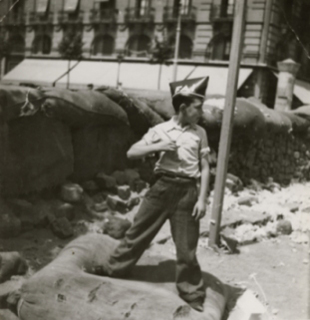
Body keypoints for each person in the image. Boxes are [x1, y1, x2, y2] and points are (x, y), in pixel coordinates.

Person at [96, 77, 210, 312]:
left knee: (187, 247)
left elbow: (206, 167)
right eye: (197, 108)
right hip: (161, 188)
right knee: (137, 234)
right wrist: (157, 147)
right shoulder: (160, 130)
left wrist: (201, 199)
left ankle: (192, 293)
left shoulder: (200, 133)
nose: (201, 112)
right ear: (183, 108)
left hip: (188, 192)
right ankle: (113, 270)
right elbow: (132, 152)